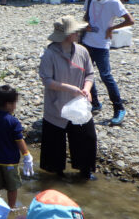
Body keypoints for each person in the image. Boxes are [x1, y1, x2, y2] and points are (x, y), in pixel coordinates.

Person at [38, 16, 97, 180]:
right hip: (55, 107)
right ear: (67, 35)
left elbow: (90, 74)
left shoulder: (82, 51)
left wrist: (87, 89)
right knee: (54, 149)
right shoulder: (49, 54)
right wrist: (69, 88)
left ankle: (85, 172)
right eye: (75, 31)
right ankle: (56, 176)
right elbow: (47, 80)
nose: (78, 33)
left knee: (87, 139)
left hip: (79, 106)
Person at [81, 0, 135, 125]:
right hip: (87, 41)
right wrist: (86, 25)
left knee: (106, 76)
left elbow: (130, 20)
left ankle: (119, 108)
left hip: (102, 44)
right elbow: (86, 16)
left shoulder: (114, 2)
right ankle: (95, 103)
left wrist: (112, 28)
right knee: (86, 74)